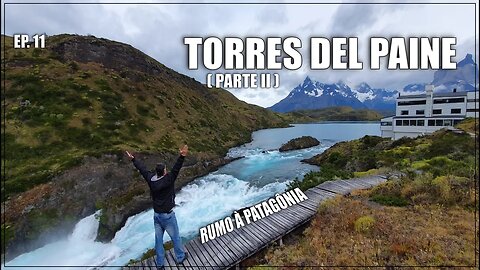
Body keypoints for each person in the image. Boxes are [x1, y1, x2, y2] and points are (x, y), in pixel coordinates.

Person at [125, 145, 189, 268]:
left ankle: (160, 264)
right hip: (168, 216)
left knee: (158, 241)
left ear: (156, 172)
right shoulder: (168, 180)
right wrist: (182, 156)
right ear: (164, 171)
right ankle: (180, 257)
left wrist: (133, 159)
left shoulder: (151, 179)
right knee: (175, 237)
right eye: (165, 169)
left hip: (157, 216)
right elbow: (176, 169)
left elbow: (142, 169)